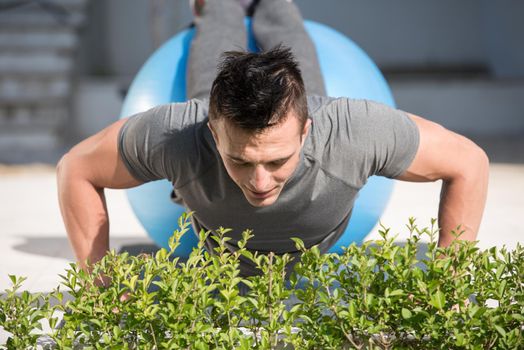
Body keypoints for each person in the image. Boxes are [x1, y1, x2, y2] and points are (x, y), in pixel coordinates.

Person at [57, 0, 489, 279]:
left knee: (288, 42)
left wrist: (446, 288)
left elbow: (469, 162)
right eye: (243, 162)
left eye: (277, 161)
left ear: (306, 130)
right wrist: (104, 288)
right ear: (213, 132)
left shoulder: (350, 130)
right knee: (215, 48)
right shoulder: (184, 132)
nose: (260, 183)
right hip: (206, 153)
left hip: (315, 127)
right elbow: (75, 168)